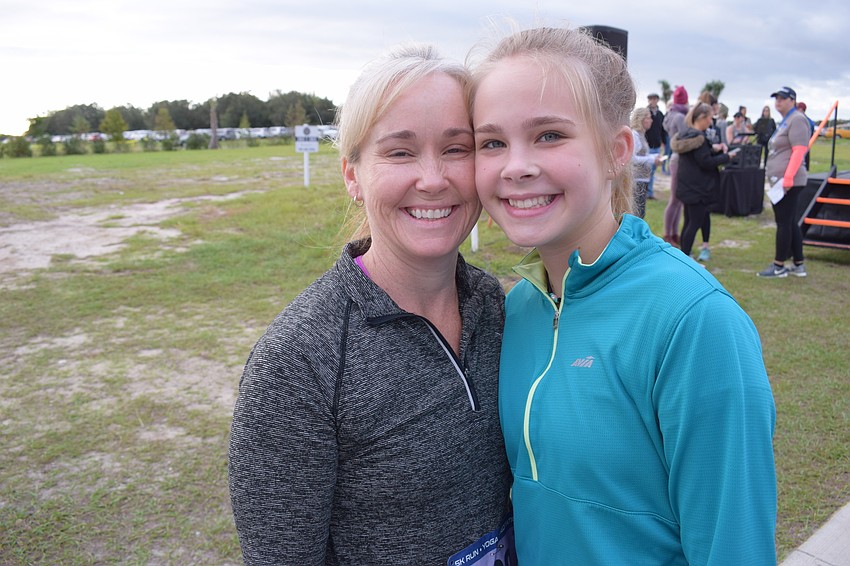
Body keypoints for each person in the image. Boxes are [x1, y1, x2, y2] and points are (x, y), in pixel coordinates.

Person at [471, 25, 777, 564]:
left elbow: (734, 547)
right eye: (492, 142)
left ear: (616, 152)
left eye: (549, 135)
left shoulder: (694, 321)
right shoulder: (520, 306)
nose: (516, 165)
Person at [229, 44, 513, 564]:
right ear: (352, 175)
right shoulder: (298, 361)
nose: (433, 178)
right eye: (400, 152)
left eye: (457, 148)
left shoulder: (497, 308)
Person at [672, 102, 736, 261]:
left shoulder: (686, 134)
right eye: (709, 118)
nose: (710, 122)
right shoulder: (699, 137)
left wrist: (713, 149)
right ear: (701, 118)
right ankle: (684, 259)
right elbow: (705, 162)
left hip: (688, 186)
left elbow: (699, 156)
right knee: (693, 224)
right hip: (698, 189)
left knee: (689, 222)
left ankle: (683, 255)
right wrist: (727, 157)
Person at [758, 86, 809, 278]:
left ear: (792, 100)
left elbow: (799, 150)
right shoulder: (786, 121)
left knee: (783, 223)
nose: (778, 102)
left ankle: (779, 265)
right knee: (790, 222)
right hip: (782, 180)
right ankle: (798, 263)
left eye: (782, 98)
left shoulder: (797, 119)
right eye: (776, 98)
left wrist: (788, 177)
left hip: (789, 181)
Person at [662, 85, 689, 246]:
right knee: (674, 199)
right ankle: (668, 233)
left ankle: (674, 233)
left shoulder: (671, 114)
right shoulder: (679, 117)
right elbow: (686, 135)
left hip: (675, 158)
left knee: (678, 200)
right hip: (678, 158)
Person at [630, 107, 662, 218]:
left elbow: (642, 155)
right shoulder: (634, 135)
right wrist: (652, 159)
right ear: (641, 119)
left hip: (643, 178)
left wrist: (654, 157)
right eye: (648, 117)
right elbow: (632, 158)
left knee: (640, 212)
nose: (651, 120)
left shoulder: (641, 135)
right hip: (636, 179)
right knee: (637, 213)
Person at [645, 93, 667, 199]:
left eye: (654, 99)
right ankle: (645, 191)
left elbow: (662, 130)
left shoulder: (660, 114)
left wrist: (664, 142)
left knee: (653, 169)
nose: (652, 101)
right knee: (646, 169)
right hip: (647, 145)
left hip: (657, 145)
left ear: (657, 100)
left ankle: (650, 192)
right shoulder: (645, 113)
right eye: (650, 99)